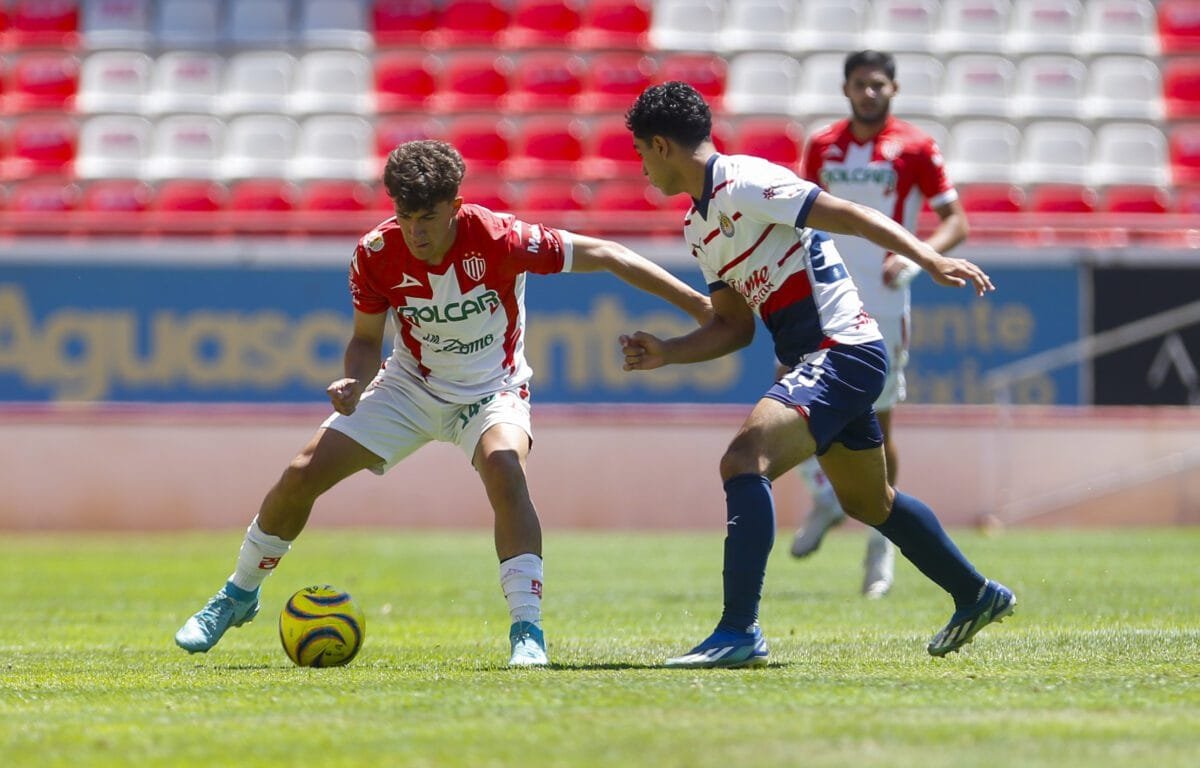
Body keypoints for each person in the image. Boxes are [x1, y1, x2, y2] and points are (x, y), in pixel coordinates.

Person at [174, 140, 711, 667]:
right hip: (409, 386)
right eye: (406, 216)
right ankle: (238, 594)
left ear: (456, 207)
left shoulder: (500, 238)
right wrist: (353, 382)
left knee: (505, 468)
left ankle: (527, 631)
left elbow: (609, 255)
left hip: (491, 390)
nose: (416, 231)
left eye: (428, 216)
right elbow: (365, 341)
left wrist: (695, 303)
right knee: (300, 473)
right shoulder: (375, 255)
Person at [619, 82, 1014, 668]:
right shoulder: (698, 229)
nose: (643, 169)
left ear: (660, 144)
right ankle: (976, 593)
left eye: (641, 155)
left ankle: (738, 631)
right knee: (870, 501)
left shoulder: (745, 181)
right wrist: (668, 352)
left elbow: (850, 214)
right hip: (824, 360)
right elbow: (734, 327)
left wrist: (928, 258)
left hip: (843, 349)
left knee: (742, 460)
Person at [787, 49, 971, 599]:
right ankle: (825, 496)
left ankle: (879, 542)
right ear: (846, 89)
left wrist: (915, 258)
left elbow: (956, 222)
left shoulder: (915, 147)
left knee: (879, 426)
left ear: (894, 89)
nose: (870, 93)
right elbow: (800, 213)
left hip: (886, 303)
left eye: (879, 85)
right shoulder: (822, 145)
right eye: (860, 84)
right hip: (824, 294)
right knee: (788, 395)